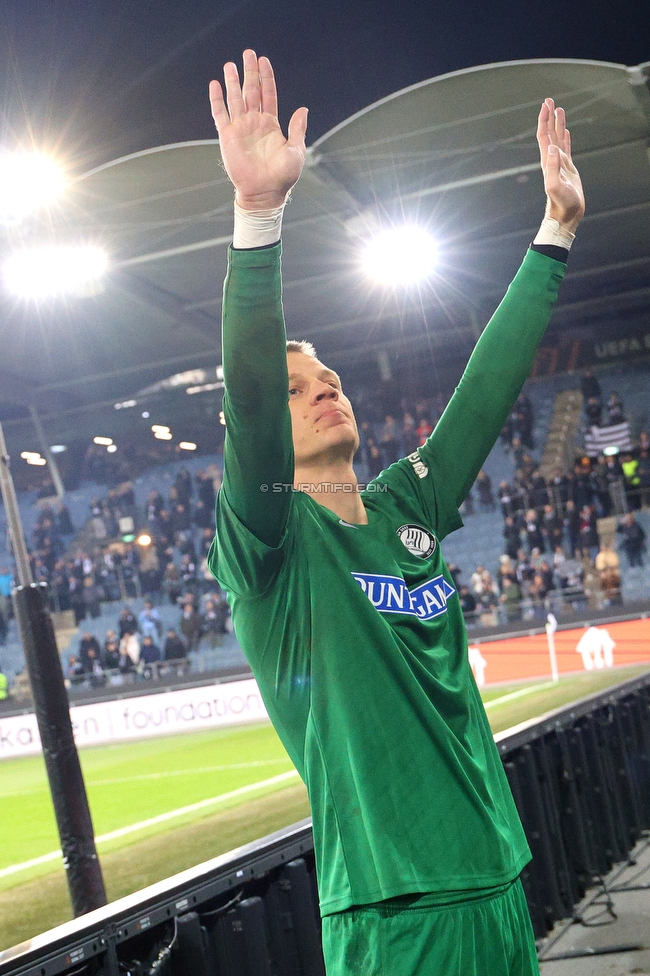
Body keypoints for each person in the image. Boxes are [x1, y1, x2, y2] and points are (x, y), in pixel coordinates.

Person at [208, 51, 584, 976]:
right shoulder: (268, 549)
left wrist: (555, 233)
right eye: (300, 389)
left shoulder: (407, 504)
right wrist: (258, 215)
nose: (325, 387)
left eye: (330, 375)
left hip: (494, 879)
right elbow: (250, 388)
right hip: (392, 910)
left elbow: (484, 394)